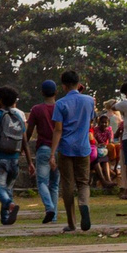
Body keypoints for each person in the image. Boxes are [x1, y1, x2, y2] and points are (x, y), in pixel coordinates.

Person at [55, 69, 97, 232]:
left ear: (64, 86)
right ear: (79, 84)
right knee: (83, 182)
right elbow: (90, 121)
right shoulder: (89, 101)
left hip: (65, 147)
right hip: (83, 146)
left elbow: (58, 130)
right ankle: (83, 204)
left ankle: (72, 223)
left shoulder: (60, 104)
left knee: (67, 184)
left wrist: (52, 152)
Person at [0, 87, 28, 226]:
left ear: (1, 100)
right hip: (15, 158)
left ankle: (10, 205)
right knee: (8, 189)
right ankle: (6, 218)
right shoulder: (19, 116)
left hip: (0, 158)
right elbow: (24, 140)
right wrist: (29, 160)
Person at [26, 80, 61, 224]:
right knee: (54, 184)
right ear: (56, 92)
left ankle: (49, 207)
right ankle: (53, 216)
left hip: (43, 149)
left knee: (42, 181)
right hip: (59, 149)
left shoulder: (36, 109)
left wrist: (24, 145)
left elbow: (28, 131)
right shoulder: (61, 107)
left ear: (42, 93)